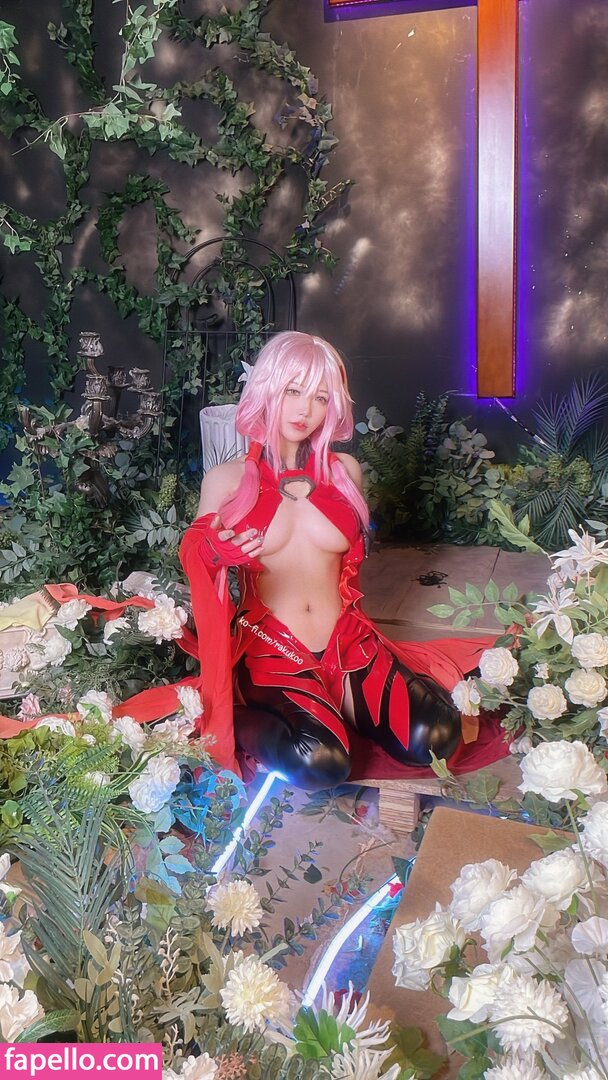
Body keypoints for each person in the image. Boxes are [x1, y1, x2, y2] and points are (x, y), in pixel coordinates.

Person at [176, 331, 500, 792]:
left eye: (321, 397)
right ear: (268, 389)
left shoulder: (344, 473)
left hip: (349, 641)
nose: (305, 410)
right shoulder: (227, 480)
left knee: (435, 737)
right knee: (320, 762)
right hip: (272, 649)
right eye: (293, 391)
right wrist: (213, 549)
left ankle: (341, 700)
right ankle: (235, 711)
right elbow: (193, 549)